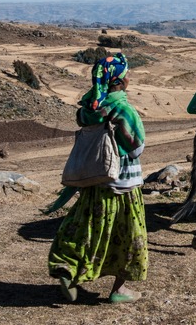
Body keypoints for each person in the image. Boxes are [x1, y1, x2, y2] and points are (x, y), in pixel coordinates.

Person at [48, 53, 148, 304]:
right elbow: (135, 148)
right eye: (126, 76)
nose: (129, 79)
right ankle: (119, 289)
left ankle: (68, 267)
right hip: (123, 184)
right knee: (129, 236)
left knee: (86, 228)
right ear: (120, 81)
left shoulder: (89, 108)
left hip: (94, 180)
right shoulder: (123, 108)